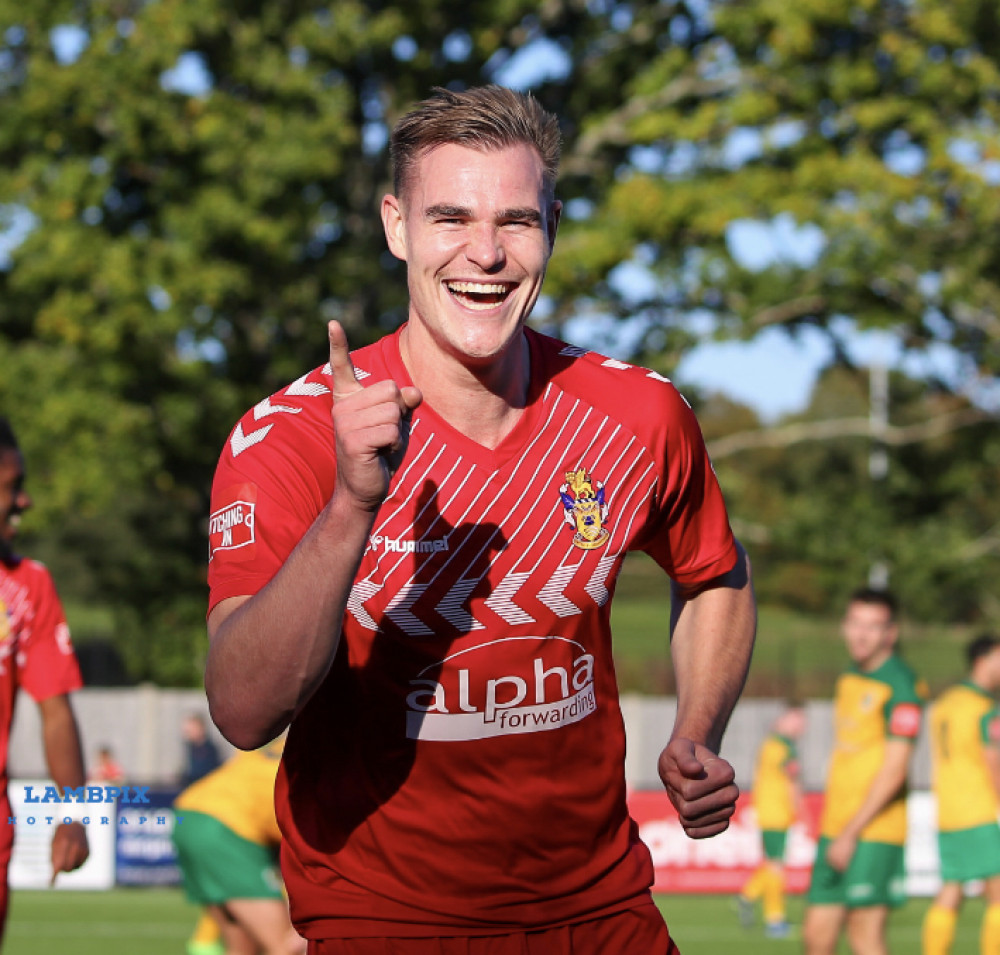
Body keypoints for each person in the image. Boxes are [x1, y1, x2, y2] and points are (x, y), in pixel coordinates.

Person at [205, 84, 756, 954]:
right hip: (383, 923)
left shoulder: (638, 414)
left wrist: (698, 732)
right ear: (397, 227)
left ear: (553, 228)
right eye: (451, 218)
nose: (487, 254)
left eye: (518, 222)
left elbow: (716, 574)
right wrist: (353, 503)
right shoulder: (290, 438)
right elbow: (241, 709)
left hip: (603, 915)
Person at [0, 415, 89, 940]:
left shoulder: (28, 586)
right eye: (11, 487)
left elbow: (55, 707)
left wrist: (77, 814)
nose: (25, 501)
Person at [803, 587, 927, 955]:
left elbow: (894, 771)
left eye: (872, 627)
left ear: (891, 633)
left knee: (864, 935)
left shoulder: (902, 685)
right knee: (816, 936)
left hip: (873, 831)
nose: (860, 634)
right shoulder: (849, 677)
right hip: (836, 827)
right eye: (855, 623)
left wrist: (851, 833)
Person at [173, 735, 305, 955]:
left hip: (190, 812)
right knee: (286, 946)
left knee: (243, 947)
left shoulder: (291, 739)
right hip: (227, 823)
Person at [922, 634, 1000, 955]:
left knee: (952, 890)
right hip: (981, 808)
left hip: (950, 812)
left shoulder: (945, 702)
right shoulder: (984, 708)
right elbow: (994, 762)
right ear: (983, 661)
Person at [736, 703, 806, 938]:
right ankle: (774, 919)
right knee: (776, 865)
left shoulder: (771, 745)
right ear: (784, 719)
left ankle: (748, 895)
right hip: (776, 813)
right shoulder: (781, 747)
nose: (802, 726)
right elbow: (793, 781)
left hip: (769, 812)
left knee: (772, 863)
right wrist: (801, 810)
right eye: (797, 719)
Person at [181, 711, 222, 786]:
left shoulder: (210, 749)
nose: (188, 733)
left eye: (192, 729)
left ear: (201, 728)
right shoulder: (190, 748)